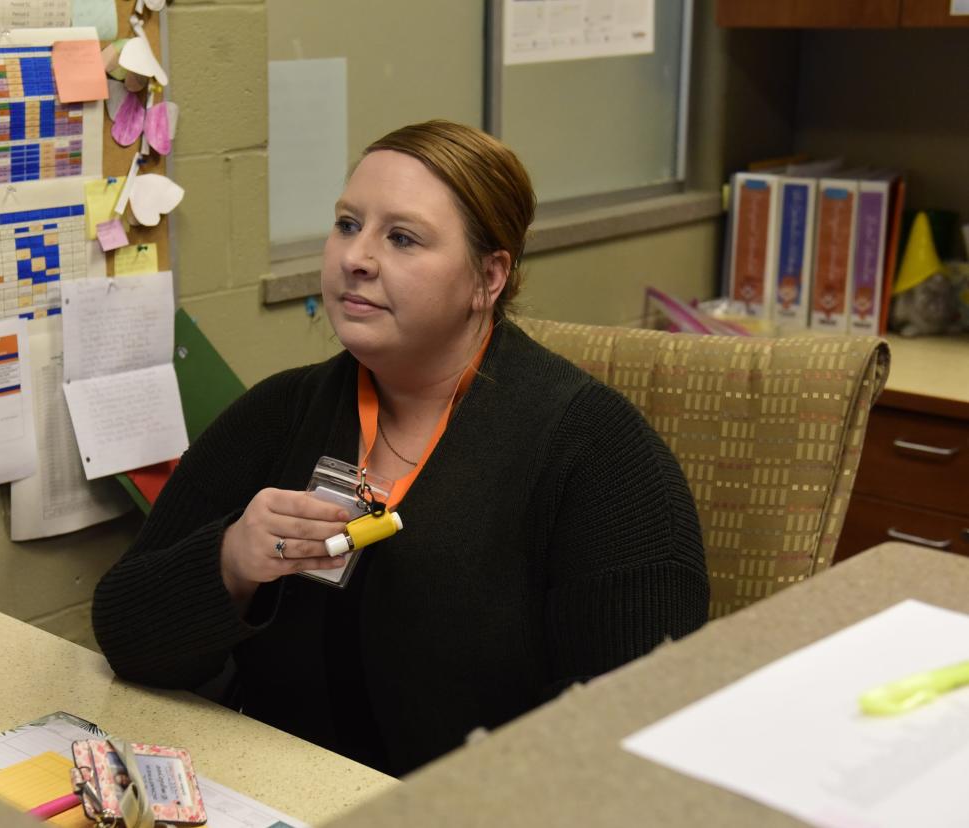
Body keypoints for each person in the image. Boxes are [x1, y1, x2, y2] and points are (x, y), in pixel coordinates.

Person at [93, 120, 708, 776]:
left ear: (488, 278)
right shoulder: (284, 414)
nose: (356, 258)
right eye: (348, 224)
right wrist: (232, 560)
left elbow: (639, 744)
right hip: (275, 796)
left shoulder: (598, 458)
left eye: (402, 238)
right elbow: (126, 634)